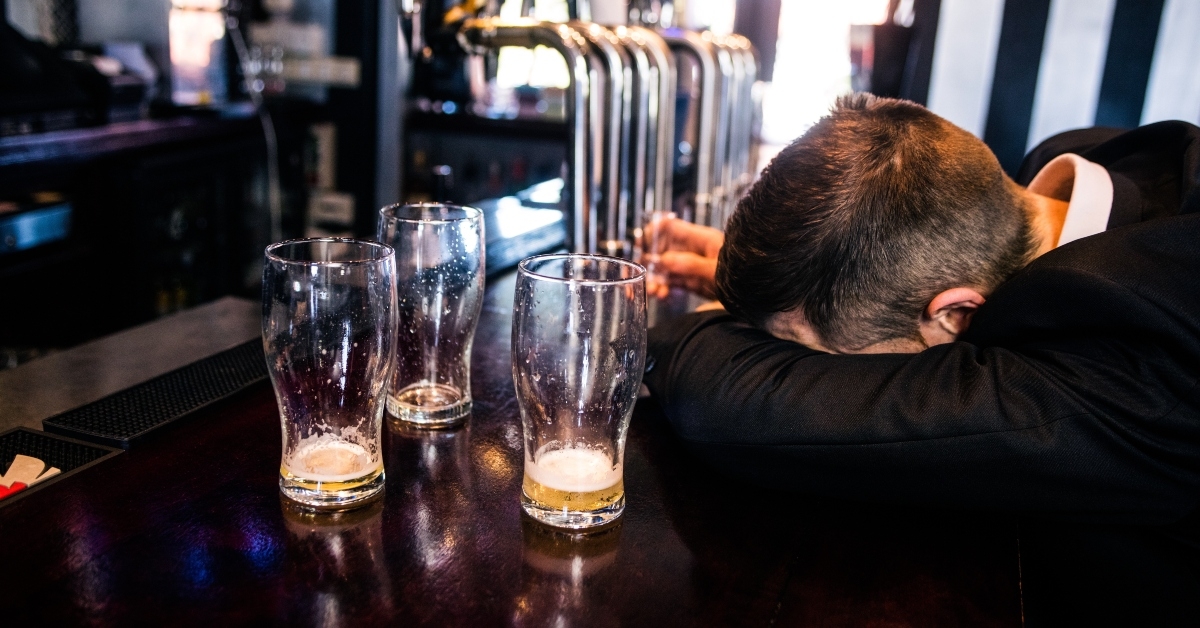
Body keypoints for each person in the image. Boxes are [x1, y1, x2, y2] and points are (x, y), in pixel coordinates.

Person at [641, 94, 1200, 623]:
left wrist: (644, 329)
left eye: (815, 358)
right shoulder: (1096, 172)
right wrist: (792, 284)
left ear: (955, 314)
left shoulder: (1146, 353)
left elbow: (745, 407)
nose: (811, 369)